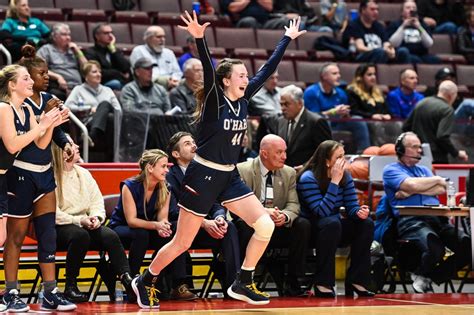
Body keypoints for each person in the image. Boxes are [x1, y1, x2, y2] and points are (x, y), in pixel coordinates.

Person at [131, 11, 306, 309]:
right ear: (226, 81)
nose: (246, 78)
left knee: (264, 225)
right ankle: (146, 279)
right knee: (182, 243)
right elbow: (209, 72)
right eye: (240, 75)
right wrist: (200, 39)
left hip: (229, 175)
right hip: (202, 176)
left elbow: (266, 70)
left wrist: (286, 40)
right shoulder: (214, 100)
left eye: (245, 76)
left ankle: (243, 280)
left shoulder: (244, 98)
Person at [0, 64, 75, 312]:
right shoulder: (4, 108)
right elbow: (13, 146)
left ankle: (50, 292)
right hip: (17, 176)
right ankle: (10, 291)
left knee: (48, 234)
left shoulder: (26, 109)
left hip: (43, 175)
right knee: (13, 237)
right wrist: (43, 124)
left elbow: (42, 144)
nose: (32, 81)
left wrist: (52, 122)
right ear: (12, 84)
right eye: (26, 78)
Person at [382, 131, 471, 292]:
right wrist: (436, 180)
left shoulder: (424, 170)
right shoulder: (390, 170)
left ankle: (426, 276)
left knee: (467, 245)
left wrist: (410, 191)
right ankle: (422, 274)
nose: (419, 151)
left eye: (419, 147)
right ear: (401, 149)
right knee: (434, 246)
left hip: (437, 220)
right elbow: (418, 185)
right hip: (411, 220)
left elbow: (441, 189)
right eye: (414, 147)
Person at [108, 149, 197, 301]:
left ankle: (166, 283)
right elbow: (132, 221)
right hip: (123, 228)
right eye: (163, 166)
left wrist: (164, 227)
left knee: (174, 233)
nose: (166, 170)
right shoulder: (129, 186)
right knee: (141, 234)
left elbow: (163, 218)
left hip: (148, 228)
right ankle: (132, 283)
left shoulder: (165, 187)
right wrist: (157, 226)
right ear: (150, 168)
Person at [52, 140, 133, 303]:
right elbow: (52, 212)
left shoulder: (84, 174)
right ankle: (70, 286)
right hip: (59, 226)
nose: (77, 147)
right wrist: (79, 220)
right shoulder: (50, 175)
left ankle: (127, 280)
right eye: (72, 145)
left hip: (84, 223)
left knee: (110, 235)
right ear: (62, 152)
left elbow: (97, 202)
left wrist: (96, 218)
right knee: (80, 236)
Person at [297, 140, 375, 298]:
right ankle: (323, 282)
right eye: (339, 157)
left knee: (366, 224)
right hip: (312, 229)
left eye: (344, 156)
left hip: (334, 226)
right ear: (327, 162)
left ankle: (357, 280)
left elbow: (351, 206)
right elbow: (321, 211)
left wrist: (359, 212)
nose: (343, 160)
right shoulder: (308, 178)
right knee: (331, 223)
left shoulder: (345, 177)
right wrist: (334, 182)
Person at [236, 134, 311, 297]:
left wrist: (284, 216)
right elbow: (239, 205)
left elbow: (293, 204)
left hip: (278, 227)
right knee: (241, 226)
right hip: (252, 225)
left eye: (285, 151)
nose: (284, 156)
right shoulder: (242, 170)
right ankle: (244, 280)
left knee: (302, 225)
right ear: (264, 153)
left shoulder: (289, 172)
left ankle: (294, 281)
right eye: (279, 152)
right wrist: (263, 214)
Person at [166, 132, 240, 295]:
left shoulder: (205, 173)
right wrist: (204, 223)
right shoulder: (168, 177)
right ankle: (179, 285)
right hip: (183, 227)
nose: (194, 145)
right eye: (187, 143)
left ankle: (234, 284)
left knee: (229, 227)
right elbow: (173, 211)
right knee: (177, 227)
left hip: (204, 229)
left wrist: (219, 217)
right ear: (176, 154)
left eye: (194, 142)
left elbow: (216, 202)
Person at [258, 84, 332, 168]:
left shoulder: (316, 122)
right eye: (281, 104)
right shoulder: (281, 120)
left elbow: (326, 152)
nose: (283, 108)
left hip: (308, 174)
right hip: (283, 173)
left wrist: (305, 167)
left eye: (286, 104)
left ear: (299, 103)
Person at [303, 63, 370, 153]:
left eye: (339, 73)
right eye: (334, 74)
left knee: (358, 121)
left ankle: (364, 152)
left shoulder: (341, 93)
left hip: (337, 123)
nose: (339, 76)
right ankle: (328, 154)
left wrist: (345, 114)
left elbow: (345, 117)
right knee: (325, 122)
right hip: (319, 126)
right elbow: (313, 116)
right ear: (324, 76)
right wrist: (333, 112)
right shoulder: (311, 92)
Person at [64, 60, 122, 160]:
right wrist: (89, 109)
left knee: (107, 108)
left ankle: (92, 136)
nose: (99, 74)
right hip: (87, 124)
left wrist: (102, 110)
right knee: (106, 108)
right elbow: (67, 106)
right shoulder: (78, 89)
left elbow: (118, 110)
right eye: (94, 72)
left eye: (99, 72)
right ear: (86, 76)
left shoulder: (107, 90)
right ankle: (92, 136)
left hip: (108, 126)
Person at [403, 80, 468, 163]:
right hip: (437, 159)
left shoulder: (422, 103)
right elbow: (442, 137)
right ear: (451, 95)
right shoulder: (447, 110)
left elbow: (405, 127)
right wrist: (456, 153)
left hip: (417, 156)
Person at [342, 0, 410, 64]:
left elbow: (386, 43)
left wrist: (391, 51)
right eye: (372, 9)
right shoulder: (354, 25)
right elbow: (360, 47)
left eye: (377, 9)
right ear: (363, 10)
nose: (376, 12)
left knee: (403, 51)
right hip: (363, 56)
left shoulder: (379, 26)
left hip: (382, 54)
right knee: (380, 52)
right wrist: (380, 50)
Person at [37, 23, 88, 100]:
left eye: (69, 35)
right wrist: (58, 77)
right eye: (64, 35)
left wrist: (78, 52)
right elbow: (38, 68)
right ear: (54, 37)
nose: (68, 38)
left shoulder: (74, 50)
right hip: (58, 86)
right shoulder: (46, 49)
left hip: (79, 86)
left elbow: (87, 69)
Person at [129, 26, 182, 90]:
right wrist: (165, 81)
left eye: (164, 37)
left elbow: (177, 72)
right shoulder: (138, 51)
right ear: (148, 39)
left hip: (173, 86)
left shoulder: (169, 53)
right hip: (150, 86)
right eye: (158, 37)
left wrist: (174, 80)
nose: (162, 39)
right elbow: (139, 73)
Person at [84, 23, 131, 90]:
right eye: (106, 33)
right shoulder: (91, 52)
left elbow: (125, 67)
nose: (110, 36)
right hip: (101, 84)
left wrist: (113, 50)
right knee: (116, 83)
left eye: (111, 33)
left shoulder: (114, 50)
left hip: (120, 81)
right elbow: (99, 72)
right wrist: (118, 73)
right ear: (97, 36)